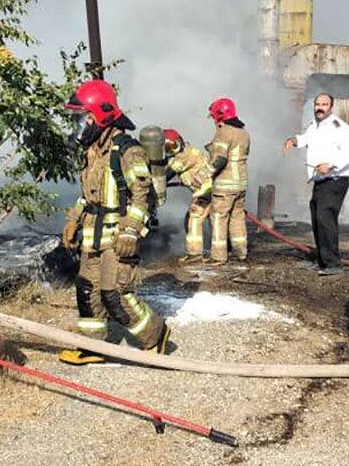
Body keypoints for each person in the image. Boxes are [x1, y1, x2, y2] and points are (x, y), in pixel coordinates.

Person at [59, 80, 171, 365]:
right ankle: (93, 347)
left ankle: (155, 336)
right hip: (92, 234)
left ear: (101, 115)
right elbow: (89, 195)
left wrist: (131, 232)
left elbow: (141, 195)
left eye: (82, 118)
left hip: (118, 233)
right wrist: (73, 220)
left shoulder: (127, 151)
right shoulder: (92, 150)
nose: (78, 125)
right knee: (87, 289)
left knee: (115, 294)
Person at [283, 93, 349, 276]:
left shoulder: (339, 127)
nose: (320, 107)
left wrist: (331, 165)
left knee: (325, 218)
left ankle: (333, 264)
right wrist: (294, 141)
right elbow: (306, 138)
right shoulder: (314, 126)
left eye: (324, 104)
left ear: (331, 107)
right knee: (316, 218)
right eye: (317, 104)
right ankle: (322, 261)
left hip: (335, 179)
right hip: (320, 179)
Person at [206, 98, 250, 266]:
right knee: (237, 217)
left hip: (225, 184)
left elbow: (220, 160)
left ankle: (218, 256)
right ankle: (241, 252)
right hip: (241, 183)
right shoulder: (244, 132)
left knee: (218, 217)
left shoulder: (224, 132)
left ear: (219, 115)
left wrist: (204, 175)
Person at [162, 129, 214, 264]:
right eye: (168, 148)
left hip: (207, 190)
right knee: (200, 219)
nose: (173, 150)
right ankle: (215, 250)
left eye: (174, 146)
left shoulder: (185, 155)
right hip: (207, 189)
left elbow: (169, 174)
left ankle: (195, 253)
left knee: (194, 217)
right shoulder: (186, 152)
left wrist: (155, 182)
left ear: (181, 141)